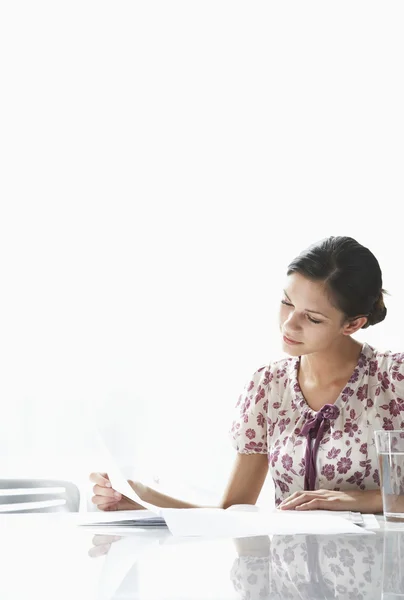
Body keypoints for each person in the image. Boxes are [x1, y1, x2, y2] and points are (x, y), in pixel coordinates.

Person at [90, 235, 404, 514]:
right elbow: (232, 512)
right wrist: (140, 498)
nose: (288, 325)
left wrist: (369, 500)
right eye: (286, 303)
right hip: (289, 577)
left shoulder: (394, 378)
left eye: (312, 318)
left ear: (353, 324)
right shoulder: (268, 385)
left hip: (381, 572)